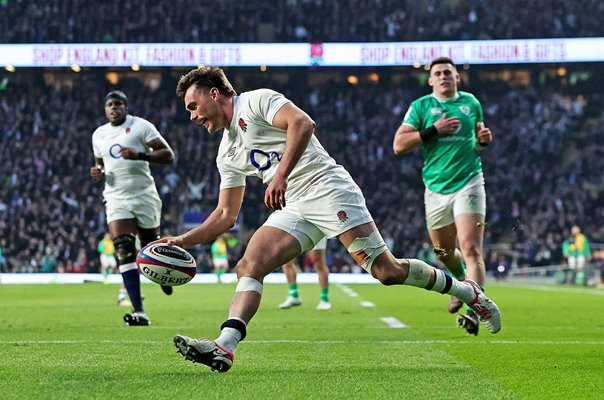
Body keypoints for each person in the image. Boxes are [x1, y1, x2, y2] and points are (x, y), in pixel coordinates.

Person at [158, 66, 500, 373]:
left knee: (387, 272)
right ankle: (225, 346)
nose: (192, 116)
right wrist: (182, 240)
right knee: (249, 265)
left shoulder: (256, 101)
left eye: (193, 105)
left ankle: (468, 292)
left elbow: (302, 123)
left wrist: (280, 176)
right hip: (294, 206)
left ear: (214, 93)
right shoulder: (226, 151)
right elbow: (224, 215)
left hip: (328, 188)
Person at [392, 57, 493, 336]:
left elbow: (479, 138)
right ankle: (461, 281)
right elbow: (398, 145)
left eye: (449, 72)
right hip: (436, 187)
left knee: (471, 248)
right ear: (431, 80)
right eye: (438, 73)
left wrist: (484, 139)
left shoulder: (471, 103)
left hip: (469, 181)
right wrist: (434, 129)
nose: (444, 76)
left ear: (457, 78)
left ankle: (476, 308)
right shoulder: (421, 107)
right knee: (442, 252)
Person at [90, 90, 175, 326]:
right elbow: (101, 164)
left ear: (126, 107)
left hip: (144, 195)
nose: (114, 108)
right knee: (124, 248)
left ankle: (163, 275)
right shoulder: (99, 135)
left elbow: (168, 155)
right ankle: (139, 311)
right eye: (110, 105)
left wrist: (139, 155)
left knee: (150, 247)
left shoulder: (140, 126)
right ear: (105, 109)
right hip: (116, 197)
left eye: (118, 104)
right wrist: (98, 172)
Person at [279, 237, 331, 310]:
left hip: (315, 227)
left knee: (319, 263)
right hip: (294, 228)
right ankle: (294, 295)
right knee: (287, 260)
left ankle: (325, 299)